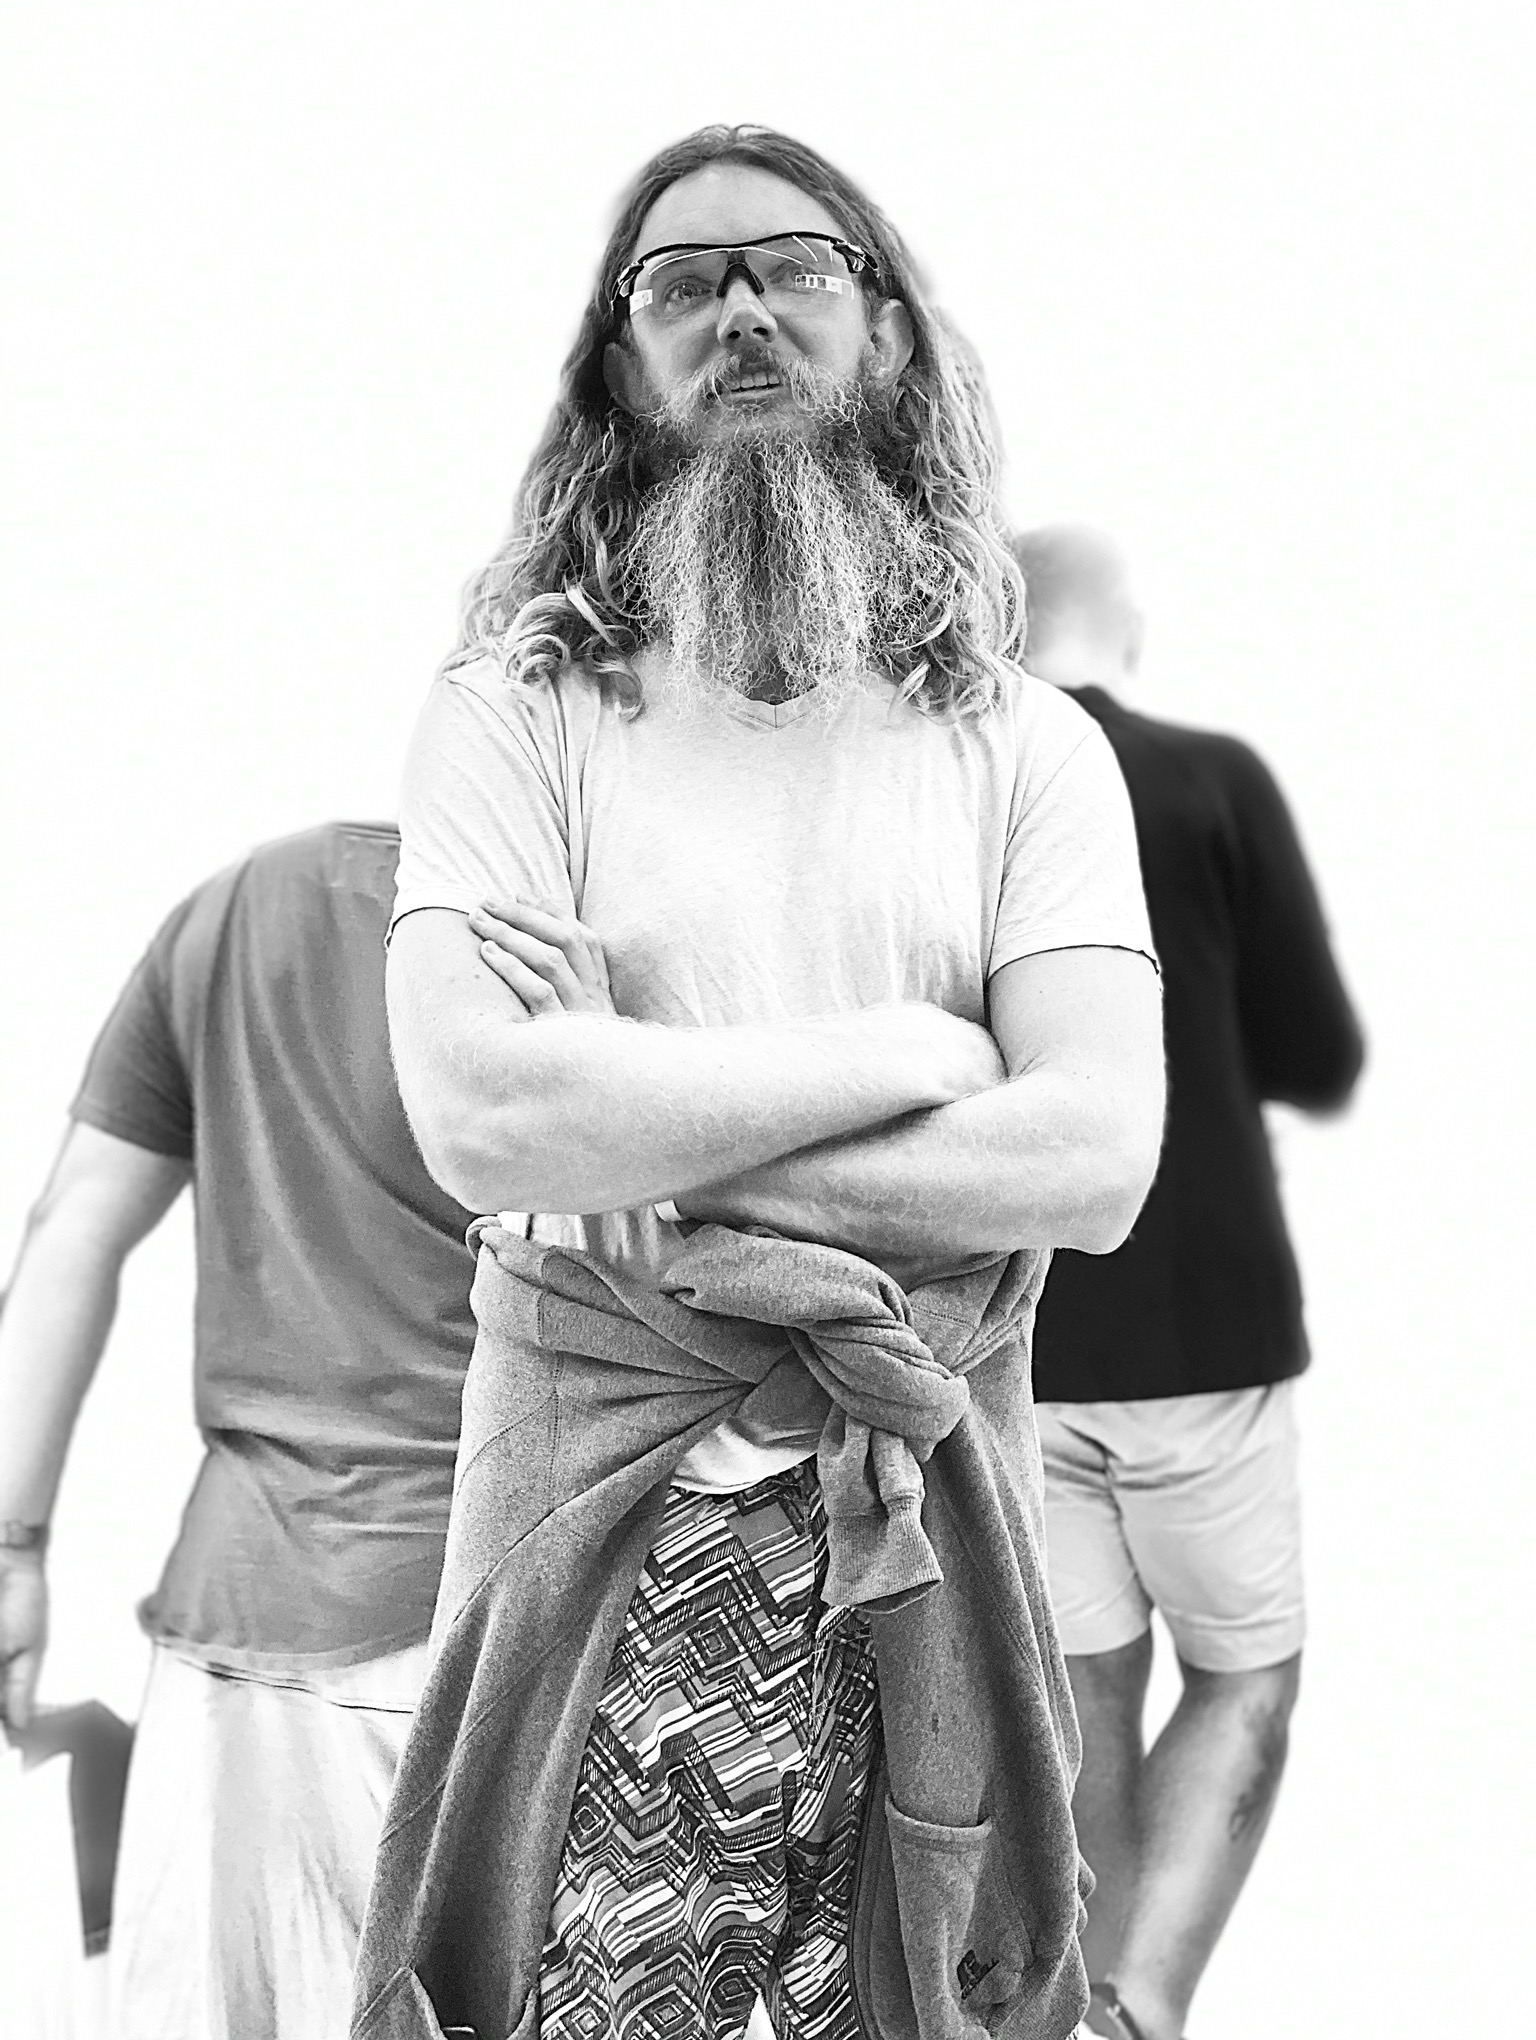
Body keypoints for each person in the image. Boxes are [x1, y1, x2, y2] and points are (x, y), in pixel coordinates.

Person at [350, 126, 1165, 2040]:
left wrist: (651, 1119)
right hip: (603, 1515)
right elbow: (484, 1119)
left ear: (885, 326)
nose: (740, 311)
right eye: (681, 280)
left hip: (923, 1522)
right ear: (615, 365)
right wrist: (910, 1057)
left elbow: (1095, 1153)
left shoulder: (1028, 748)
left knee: (913, 1991)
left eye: (794, 266)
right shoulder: (512, 714)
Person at [0, 821, 479, 2040]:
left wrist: (11, 1550)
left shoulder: (241, 905)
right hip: (473, 1636)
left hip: (226, 1642)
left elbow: (72, 1225)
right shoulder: (554, 931)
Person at [1015, 526, 1365, 2040]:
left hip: (1023, 1331)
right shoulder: (1209, 779)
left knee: (1088, 1690)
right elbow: (1319, 1053)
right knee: (1242, 1678)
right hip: (1209, 1325)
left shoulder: (967, 791)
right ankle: (1141, 2008)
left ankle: (1076, 2010)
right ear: (1125, 628)